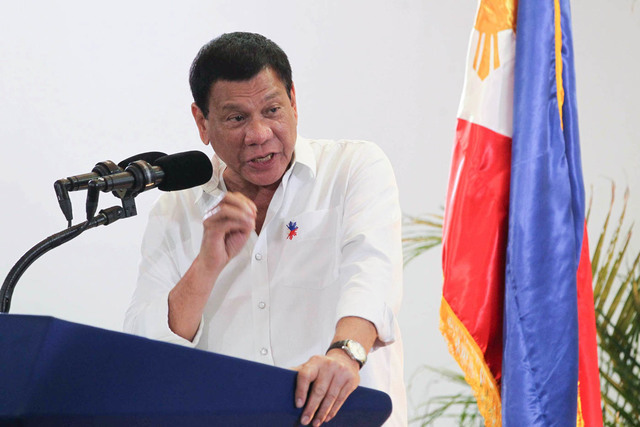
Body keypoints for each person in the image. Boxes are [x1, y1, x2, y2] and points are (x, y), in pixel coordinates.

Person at [124, 32, 406, 426]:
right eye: (237, 118)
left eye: (272, 110)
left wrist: (345, 353)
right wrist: (207, 264)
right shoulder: (175, 210)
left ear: (293, 100)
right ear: (202, 123)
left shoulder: (353, 169)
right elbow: (147, 346)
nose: (258, 135)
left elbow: (372, 273)